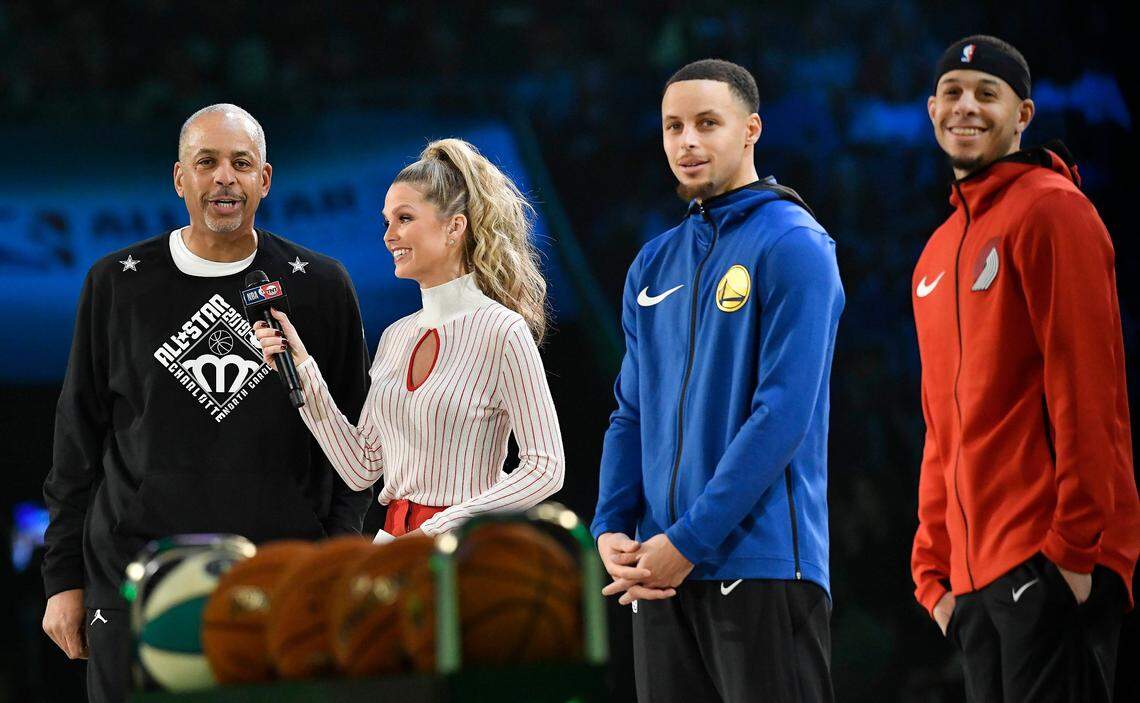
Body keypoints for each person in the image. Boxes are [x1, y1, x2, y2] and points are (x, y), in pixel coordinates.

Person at [40, 104, 373, 702]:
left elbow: (362, 441)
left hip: (284, 578)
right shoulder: (116, 282)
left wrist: (339, 554)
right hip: (132, 577)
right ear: (180, 178)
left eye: (241, 163)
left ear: (264, 179)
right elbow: (76, 442)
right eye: (207, 162)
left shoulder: (320, 286)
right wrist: (62, 577)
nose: (224, 177)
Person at [590, 59, 844, 702]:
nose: (688, 142)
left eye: (707, 123)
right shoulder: (653, 263)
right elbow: (630, 413)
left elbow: (782, 414)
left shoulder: (793, 244)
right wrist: (611, 526)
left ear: (751, 129)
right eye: (673, 127)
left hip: (759, 564)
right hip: (658, 571)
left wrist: (689, 540)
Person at [911, 35, 1140, 702]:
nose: (967, 106)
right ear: (932, 111)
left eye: (987, 94)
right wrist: (932, 569)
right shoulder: (935, 254)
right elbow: (940, 422)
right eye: (953, 93)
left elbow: (1087, 388)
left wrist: (1072, 549)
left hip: (1049, 560)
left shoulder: (1052, 209)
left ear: (1023, 115)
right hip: (972, 582)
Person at [255, 138, 564, 540]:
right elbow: (362, 466)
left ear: (455, 227)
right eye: (387, 222)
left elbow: (545, 468)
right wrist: (303, 370)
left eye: (404, 218)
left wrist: (440, 529)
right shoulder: (395, 337)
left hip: (465, 551)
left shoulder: (502, 330)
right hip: (396, 542)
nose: (389, 236)